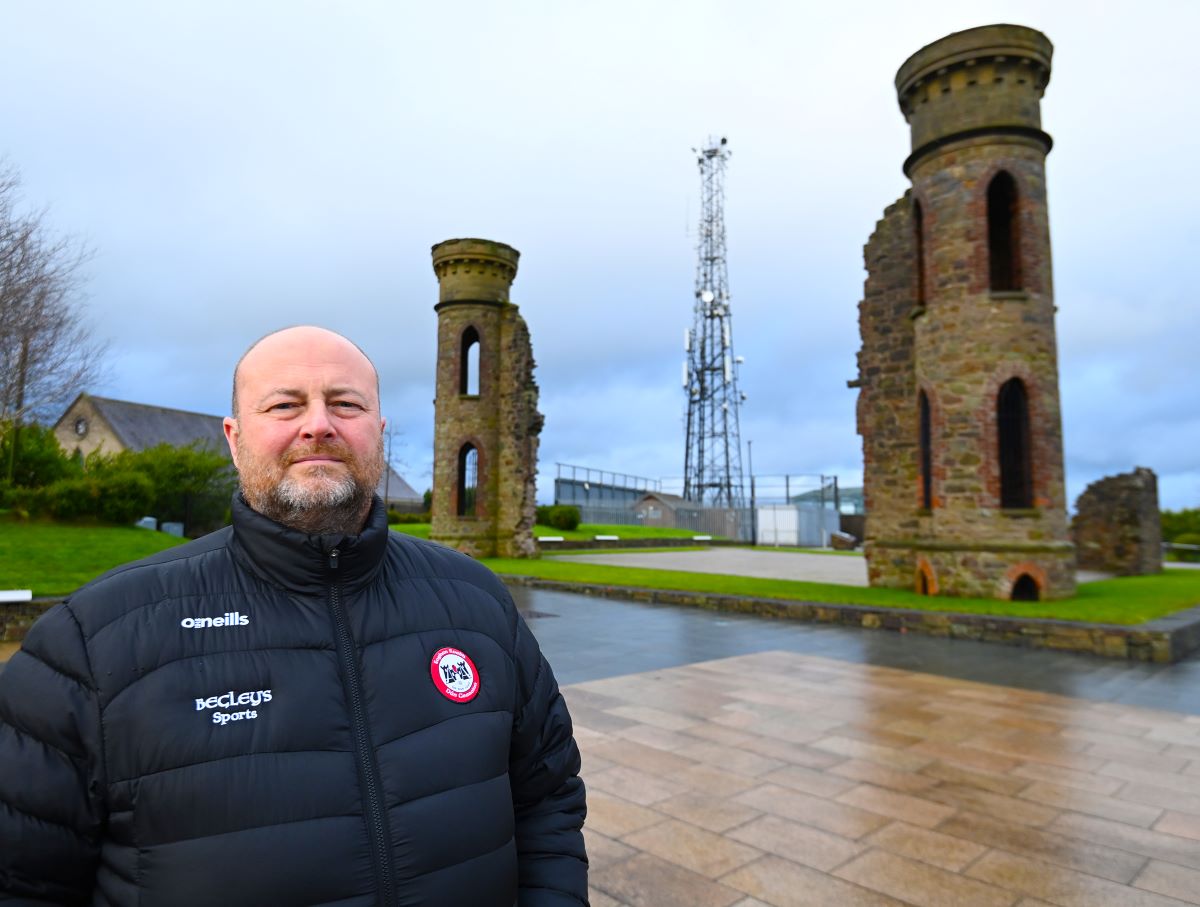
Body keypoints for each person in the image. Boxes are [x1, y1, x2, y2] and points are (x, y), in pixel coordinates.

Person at [0, 325, 588, 906]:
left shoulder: (478, 602)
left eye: (345, 403)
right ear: (234, 438)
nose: (318, 424)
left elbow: (547, 800)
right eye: (285, 404)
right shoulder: (93, 641)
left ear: (378, 433)